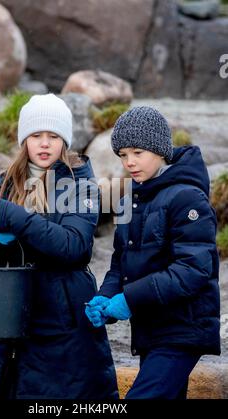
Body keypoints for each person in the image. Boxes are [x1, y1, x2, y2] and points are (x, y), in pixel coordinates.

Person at [0, 93, 119, 399]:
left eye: (53, 136)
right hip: (12, 315)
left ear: (64, 141)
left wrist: (17, 218)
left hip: (65, 320)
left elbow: (74, 246)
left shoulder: (81, 185)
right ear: (24, 139)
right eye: (36, 135)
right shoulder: (5, 184)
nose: (44, 143)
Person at [85, 106, 221, 399]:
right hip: (152, 330)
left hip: (184, 328)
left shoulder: (188, 197)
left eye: (137, 152)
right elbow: (120, 263)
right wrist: (105, 297)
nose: (129, 162)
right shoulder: (130, 199)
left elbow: (193, 270)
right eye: (122, 155)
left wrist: (130, 299)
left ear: (160, 149)